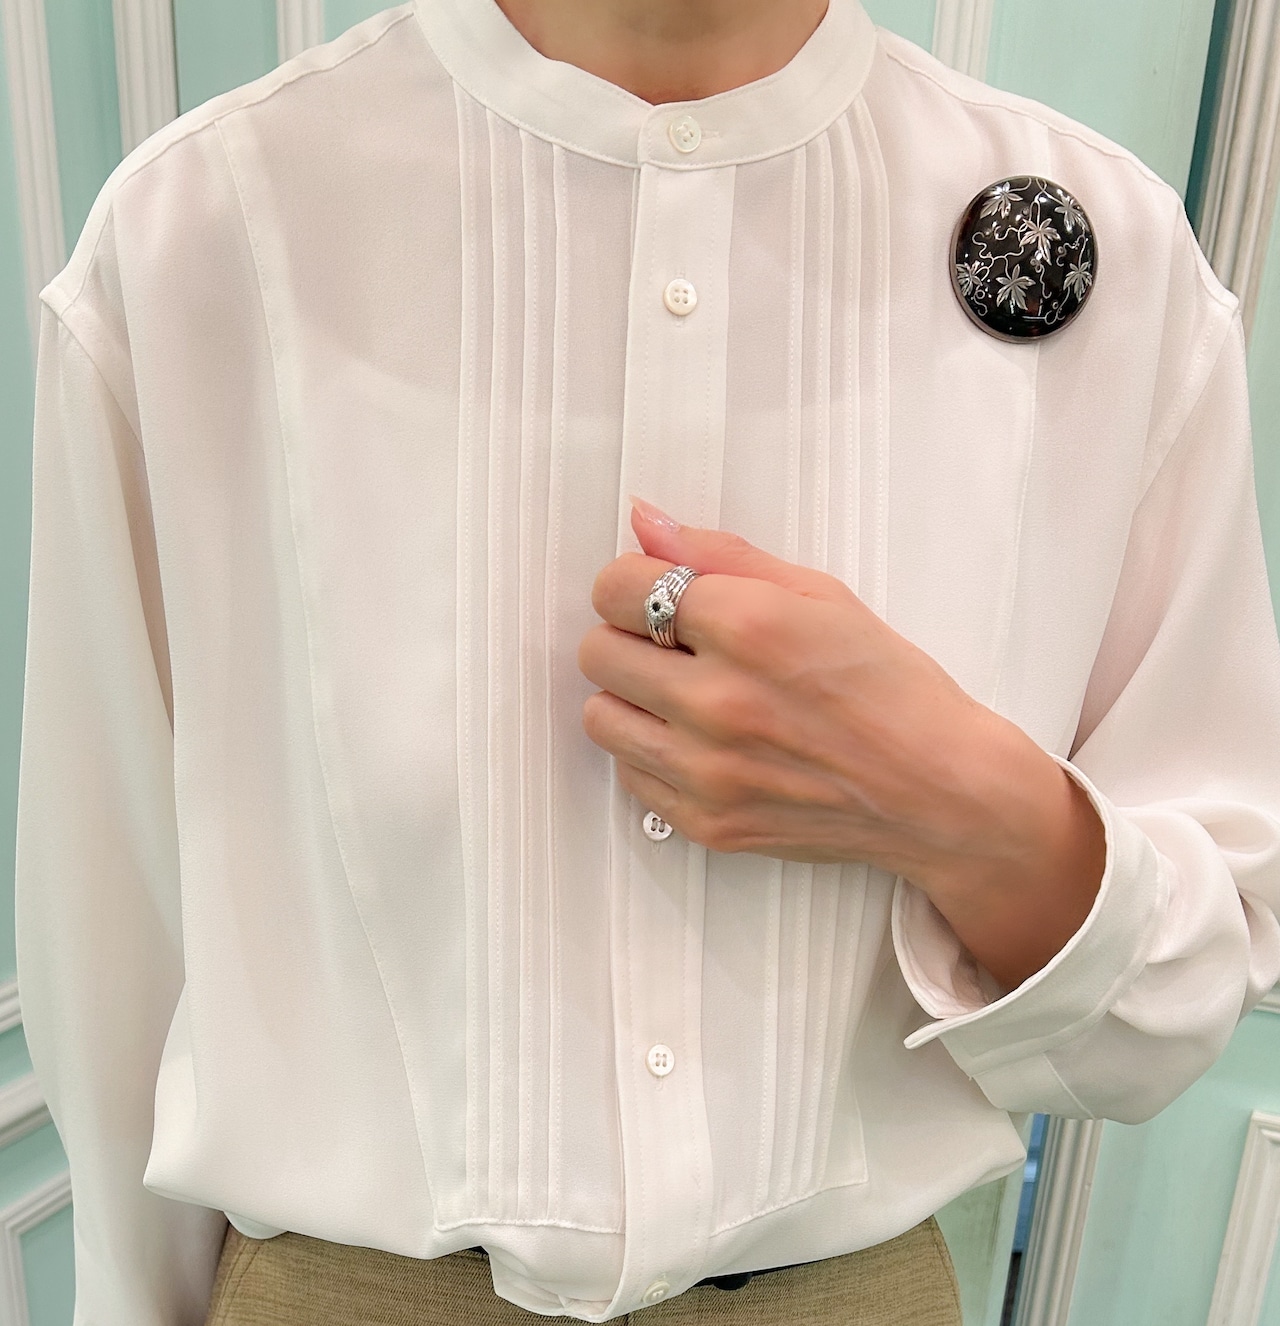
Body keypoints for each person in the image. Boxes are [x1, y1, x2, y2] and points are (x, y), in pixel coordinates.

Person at [15, 0, 1280, 1321]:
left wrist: (957, 797)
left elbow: (1181, 993)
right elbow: (115, 956)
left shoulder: (1118, 266)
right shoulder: (202, 237)